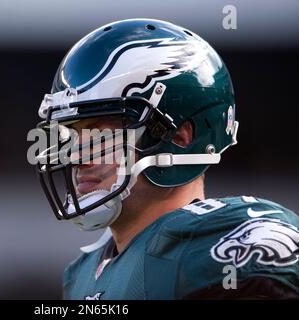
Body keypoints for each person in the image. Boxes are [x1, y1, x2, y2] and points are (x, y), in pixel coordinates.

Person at [30, 18, 299, 299]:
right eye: (74, 134)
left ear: (179, 137)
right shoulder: (81, 274)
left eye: (100, 135)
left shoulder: (217, 244)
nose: (77, 157)